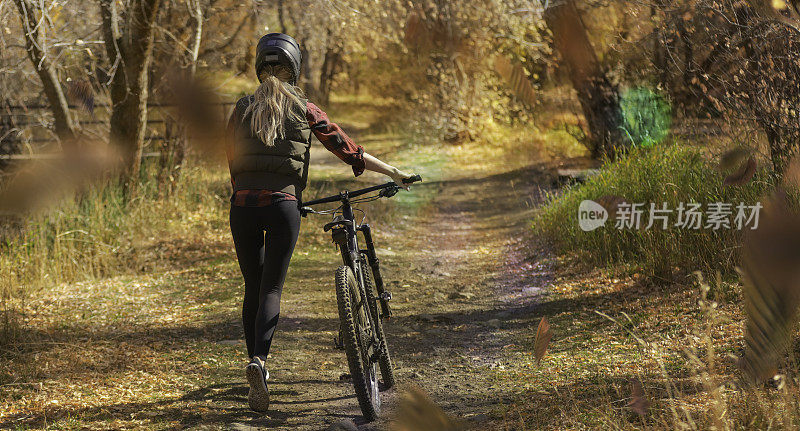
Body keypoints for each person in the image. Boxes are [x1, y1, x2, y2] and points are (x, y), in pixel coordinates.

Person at [225, 33, 414, 413]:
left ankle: (257, 364)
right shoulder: (304, 108)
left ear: (260, 68)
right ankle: (259, 363)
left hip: (242, 204)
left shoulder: (242, 107)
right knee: (272, 289)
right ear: (294, 69)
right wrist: (394, 171)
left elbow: (231, 157)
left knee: (253, 286)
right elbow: (348, 150)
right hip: (283, 204)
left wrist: (243, 190)